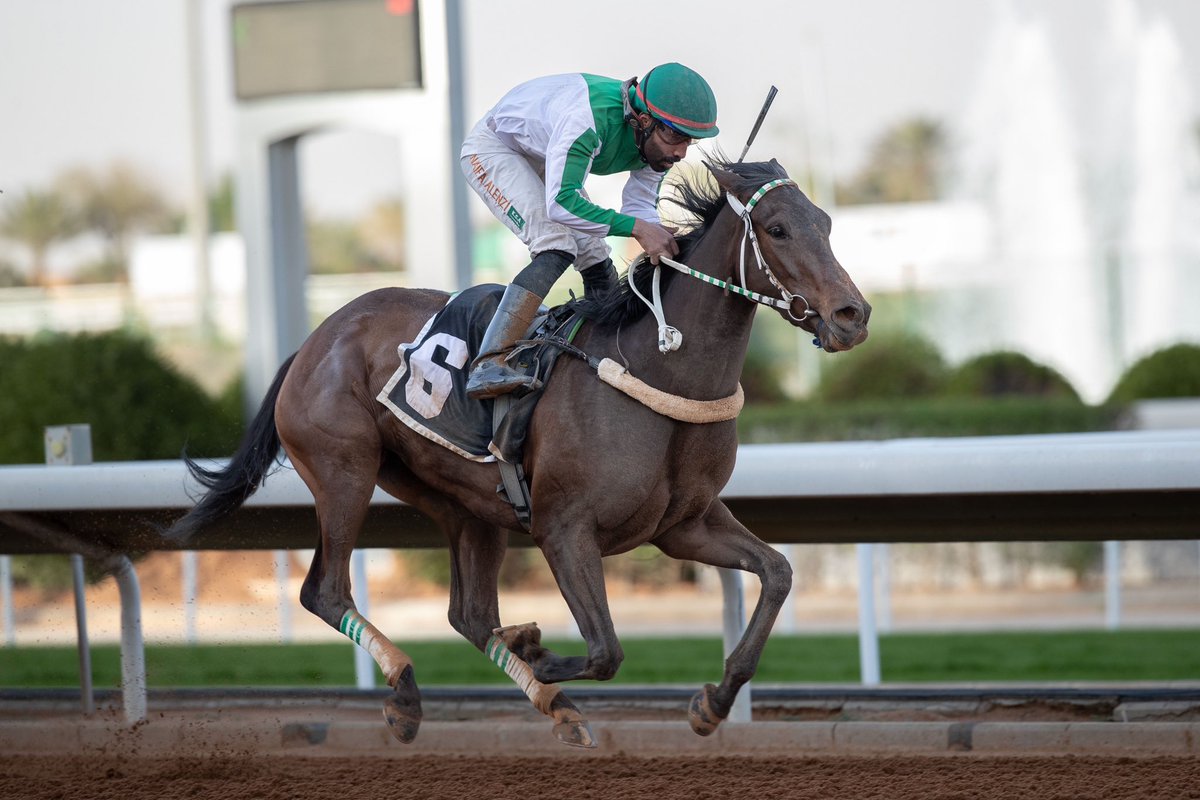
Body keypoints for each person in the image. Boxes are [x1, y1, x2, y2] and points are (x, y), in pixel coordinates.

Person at [459, 62, 719, 398]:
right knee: (556, 242)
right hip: (496, 149)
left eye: (690, 141)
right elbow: (562, 204)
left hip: (545, 151)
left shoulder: (655, 147)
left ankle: (605, 349)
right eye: (675, 136)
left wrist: (656, 234)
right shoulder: (589, 121)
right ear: (642, 120)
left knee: (595, 251)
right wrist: (640, 229)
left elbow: (638, 209)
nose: (681, 152)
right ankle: (488, 362)